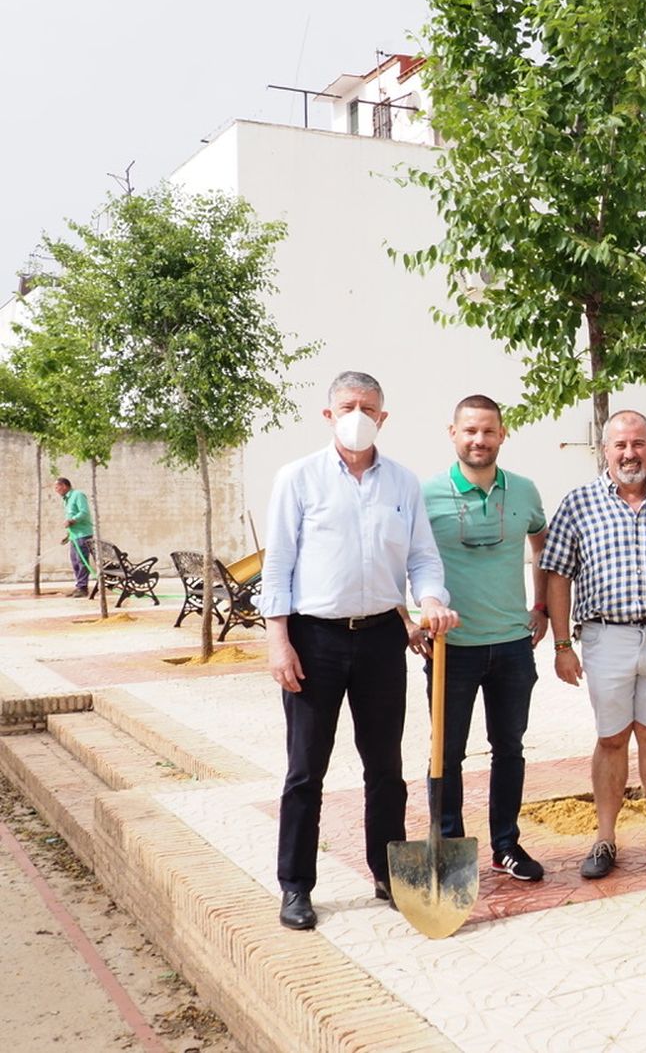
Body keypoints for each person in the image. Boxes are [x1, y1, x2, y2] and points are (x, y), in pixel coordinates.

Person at [260, 371, 458, 931]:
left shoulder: (402, 483)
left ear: (383, 418)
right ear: (328, 415)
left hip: (381, 638)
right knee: (306, 769)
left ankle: (387, 873)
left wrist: (430, 599)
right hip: (314, 639)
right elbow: (278, 564)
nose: (357, 416)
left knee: (386, 767)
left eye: (368, 408)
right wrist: (278, 640)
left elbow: (422, 557)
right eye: (347, 406)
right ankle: (296, 886)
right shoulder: (298, 478)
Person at [541, 411, 646, 879]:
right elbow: (557, 575)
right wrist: (562, 645)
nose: (629, 453)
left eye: (638, 444)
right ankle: (605, 839)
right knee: (611, 738)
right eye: (620, 445)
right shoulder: (578, 503)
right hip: (605, 636)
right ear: (605, 450)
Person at [409, 394, 548, 883]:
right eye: (470, 430)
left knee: (509, 748)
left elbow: (541, 543)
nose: (479, 440)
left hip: (512, 644)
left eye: (488, 431)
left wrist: (541, 606)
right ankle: (449, 847)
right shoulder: (425, 494)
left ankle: (505, 845)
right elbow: (398, 556)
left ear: (502, 434)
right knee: (447, 753)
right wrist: (409, 619)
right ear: (453, 433)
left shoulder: (524, 491)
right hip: (452, 648)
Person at [54, 478, 93, 597]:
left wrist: (72, 520)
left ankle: (83, 588)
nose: (56, 490)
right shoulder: (66, 499)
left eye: (57, 487)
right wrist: (68, 535)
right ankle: (79, 586)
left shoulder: (78, 495)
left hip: (83, 535)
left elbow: (84, 512)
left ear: (64, 486)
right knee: (75, 561)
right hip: (74, 536)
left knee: (82, 561)